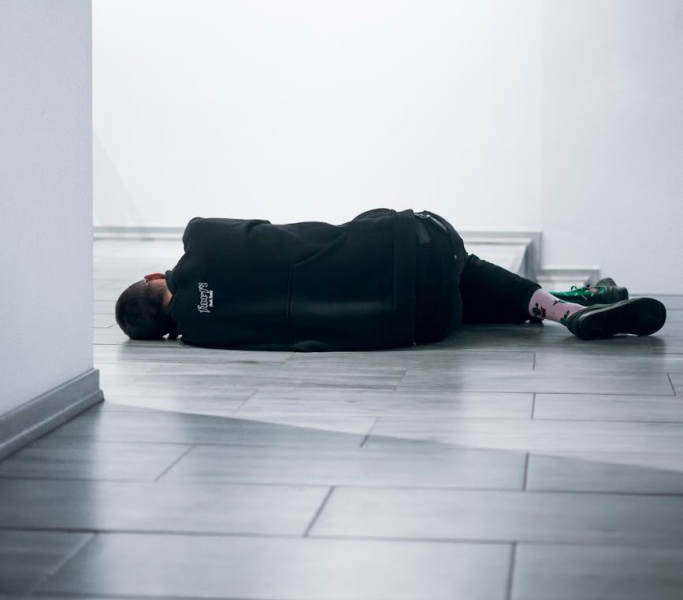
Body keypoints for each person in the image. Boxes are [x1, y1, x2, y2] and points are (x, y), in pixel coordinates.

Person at [114, 208, 666, 350]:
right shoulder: (201, 238)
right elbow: (263, 233)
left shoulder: (204, 335)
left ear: (164, 331)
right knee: (451, 264)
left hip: (419, 326)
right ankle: (567, 308)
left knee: (449, 289)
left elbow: (205, 306)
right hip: (418, 250)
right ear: (152, 275)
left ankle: (575, 301)